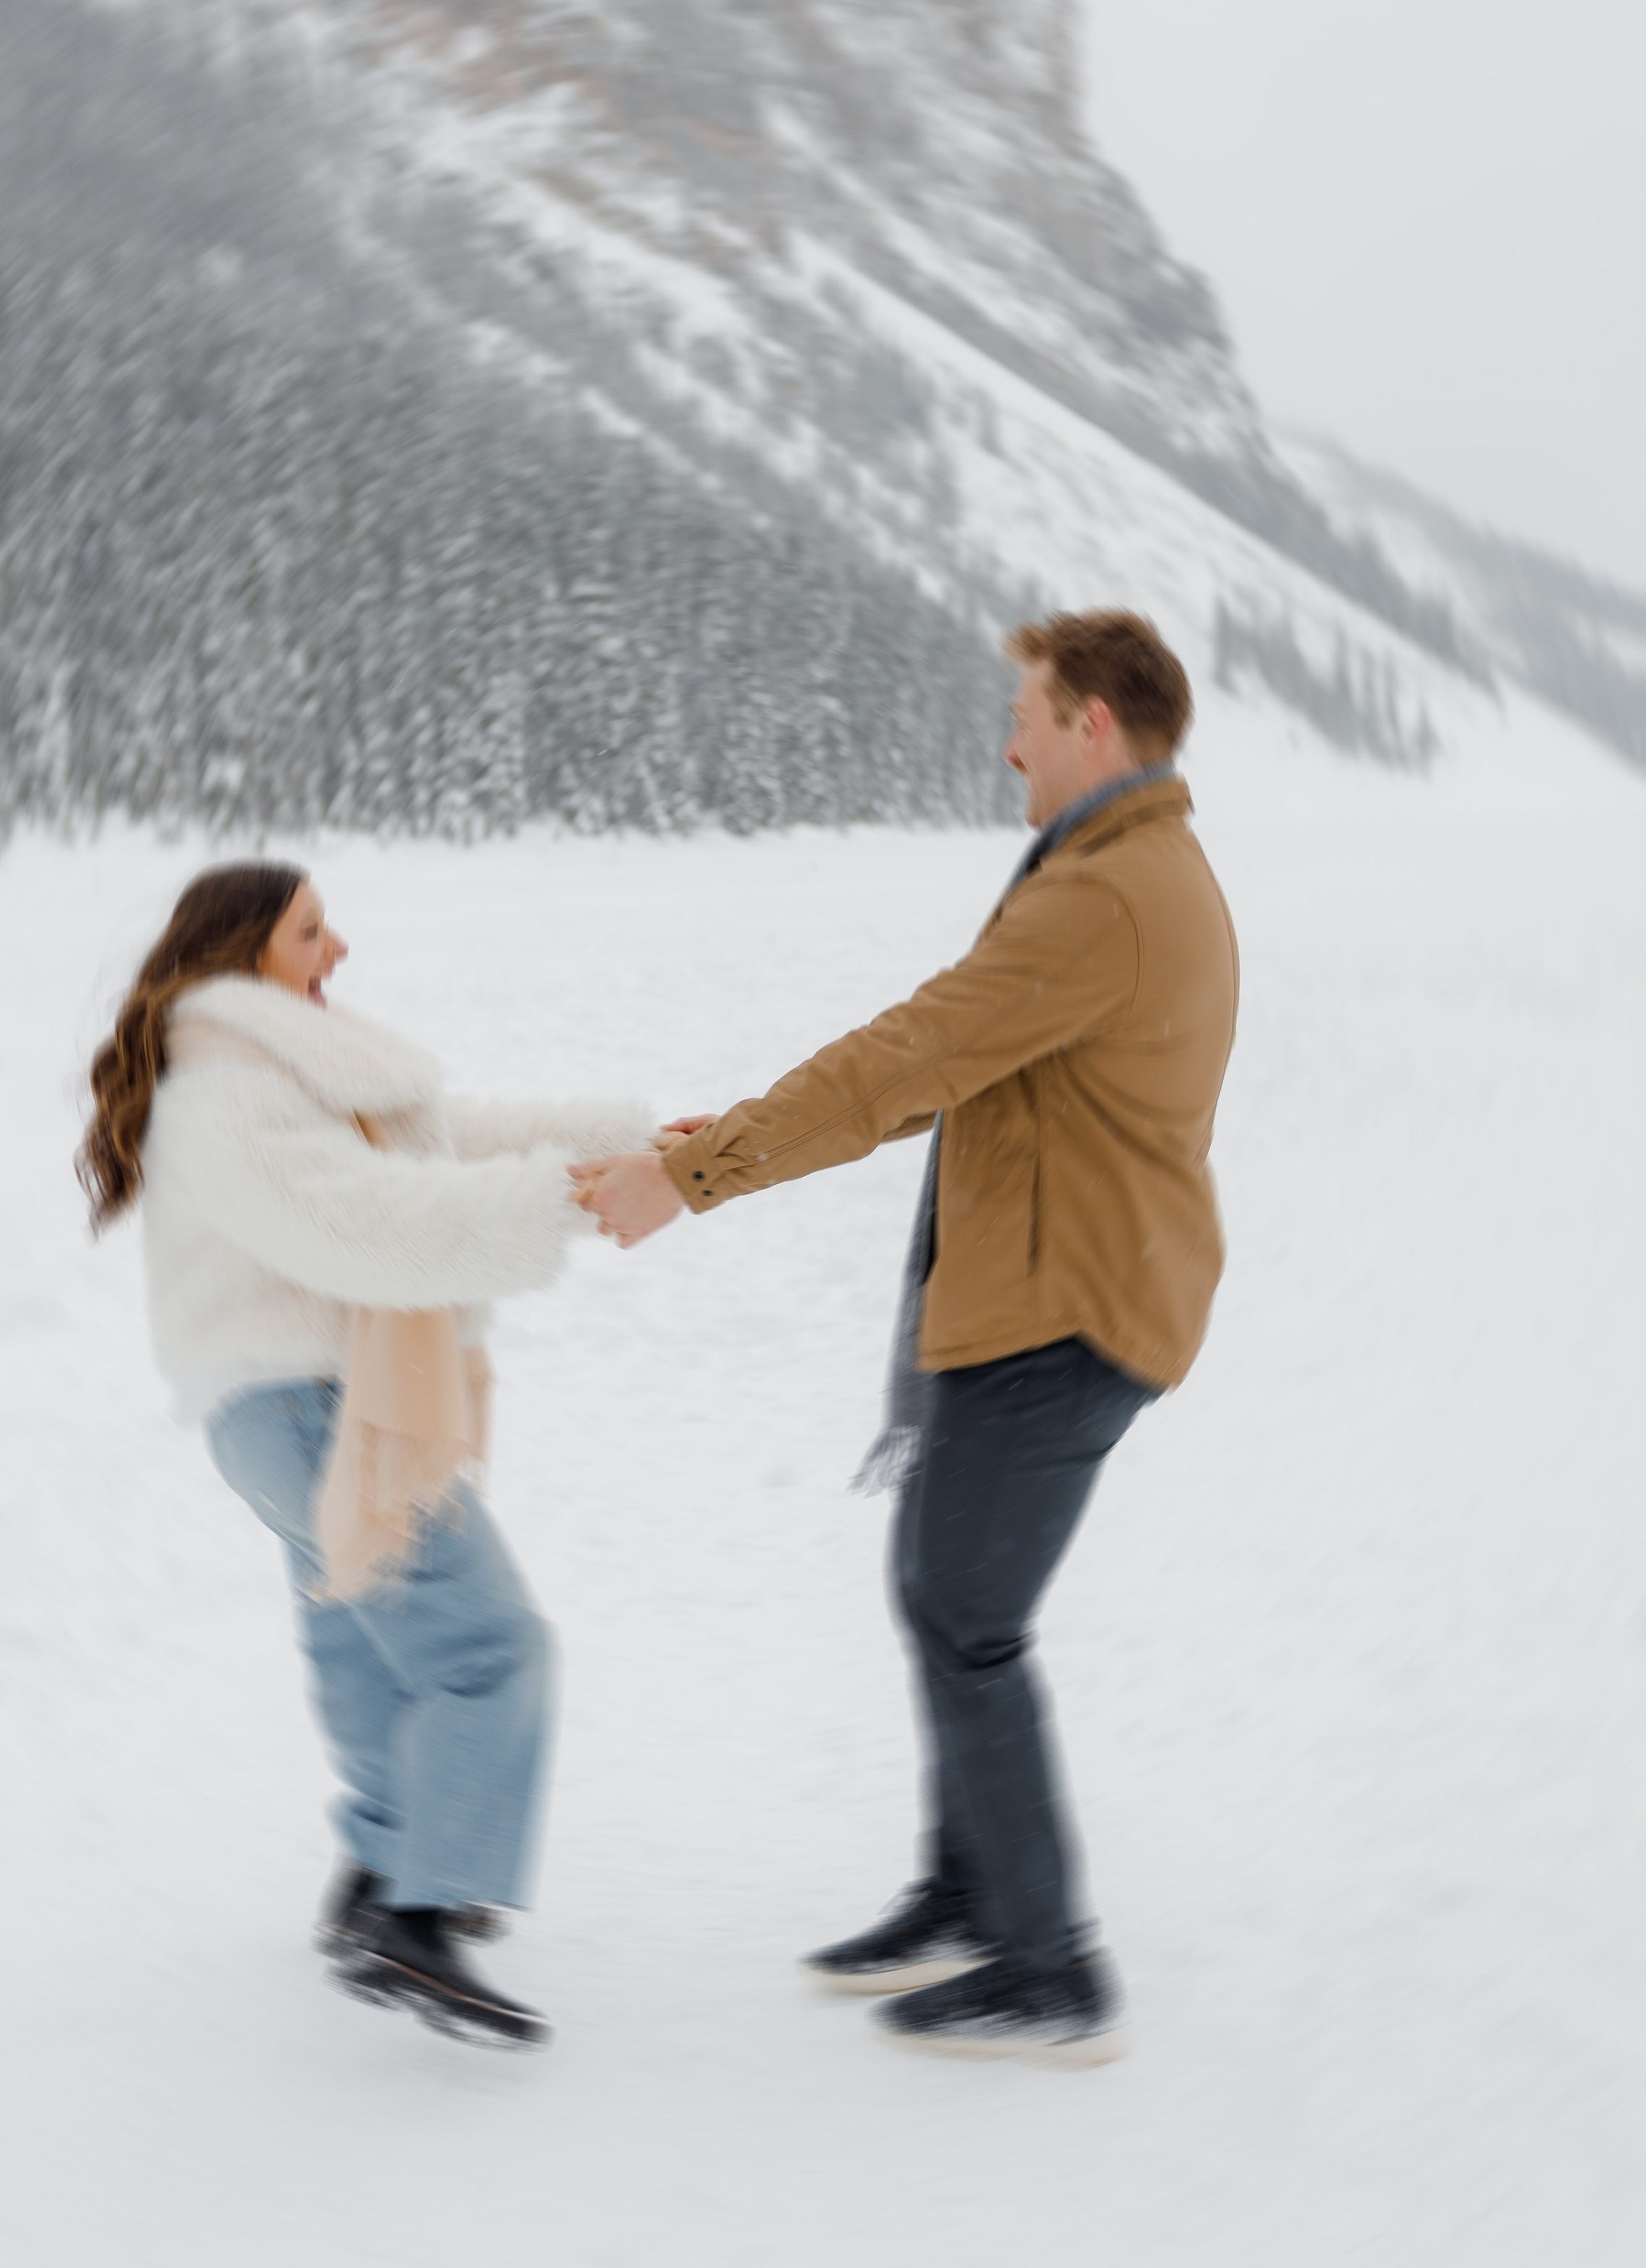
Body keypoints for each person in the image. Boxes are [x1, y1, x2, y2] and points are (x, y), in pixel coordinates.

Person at [574, 610, 1238, 2064]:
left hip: (1064, 1311)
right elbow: (963, 1066)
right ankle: (969, 1892)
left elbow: (910, 1055)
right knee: (939, 1589)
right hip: (1046, 1286)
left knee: (965, 1617)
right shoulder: (1118, 872)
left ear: (1095, 727)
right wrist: (728, 1140)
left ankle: (1047, 1967)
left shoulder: (1105, 896)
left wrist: (688, 1179)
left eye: (1026, 711)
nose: (1005, 740)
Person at [77, 861, 655, 2049]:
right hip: (305, 1402)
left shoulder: (284, 1070)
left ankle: (377, 1876)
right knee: (488, 1643)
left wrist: (632, 1142)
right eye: (311, 930)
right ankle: (424, 1911)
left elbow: (444, 1139)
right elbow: (367, 1220)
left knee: (366, 1630)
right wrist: (558, 1199)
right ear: (244, 953)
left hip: (289, 1405)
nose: (338, 948)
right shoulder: (225, 1096)